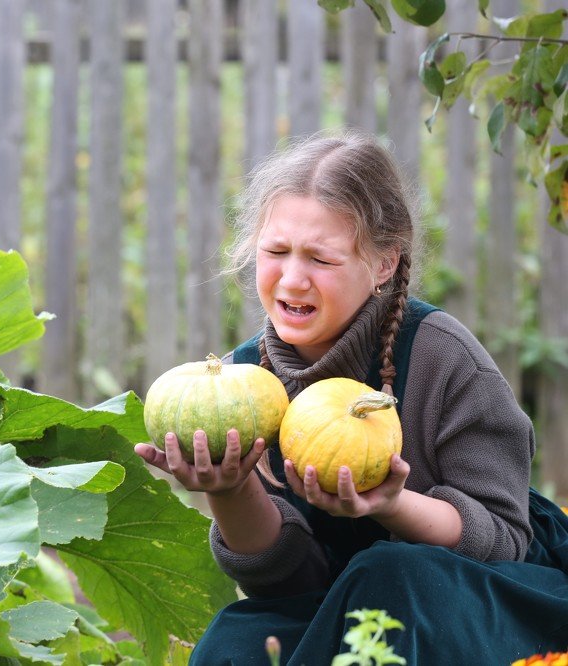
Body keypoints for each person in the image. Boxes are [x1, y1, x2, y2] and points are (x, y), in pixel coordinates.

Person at [134, 130, 568, 664]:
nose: (293, 279)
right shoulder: (244, 383)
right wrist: (229, 489)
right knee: (236, 643)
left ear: (384, 264)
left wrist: (393, 504)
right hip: (346, 603)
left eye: (321, 259)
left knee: (387, 573)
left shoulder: (445, 359)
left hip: (492, 600)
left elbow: (503, 543)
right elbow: (289, 585)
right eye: (276, 251)